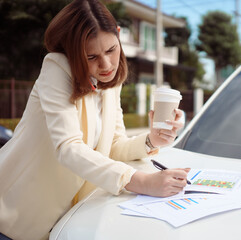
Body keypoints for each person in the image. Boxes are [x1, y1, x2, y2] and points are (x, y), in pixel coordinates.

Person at [0, 0, 189, 239]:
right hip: (14, 217)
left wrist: (152, 140)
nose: (106, 64)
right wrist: (142, 181)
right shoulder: (57, 68)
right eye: (91, 56)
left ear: (119, 35)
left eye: (111, 50)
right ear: (72, 52)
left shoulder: (110, 84)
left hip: (67, 223)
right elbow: (68, 148)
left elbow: (113, 146)